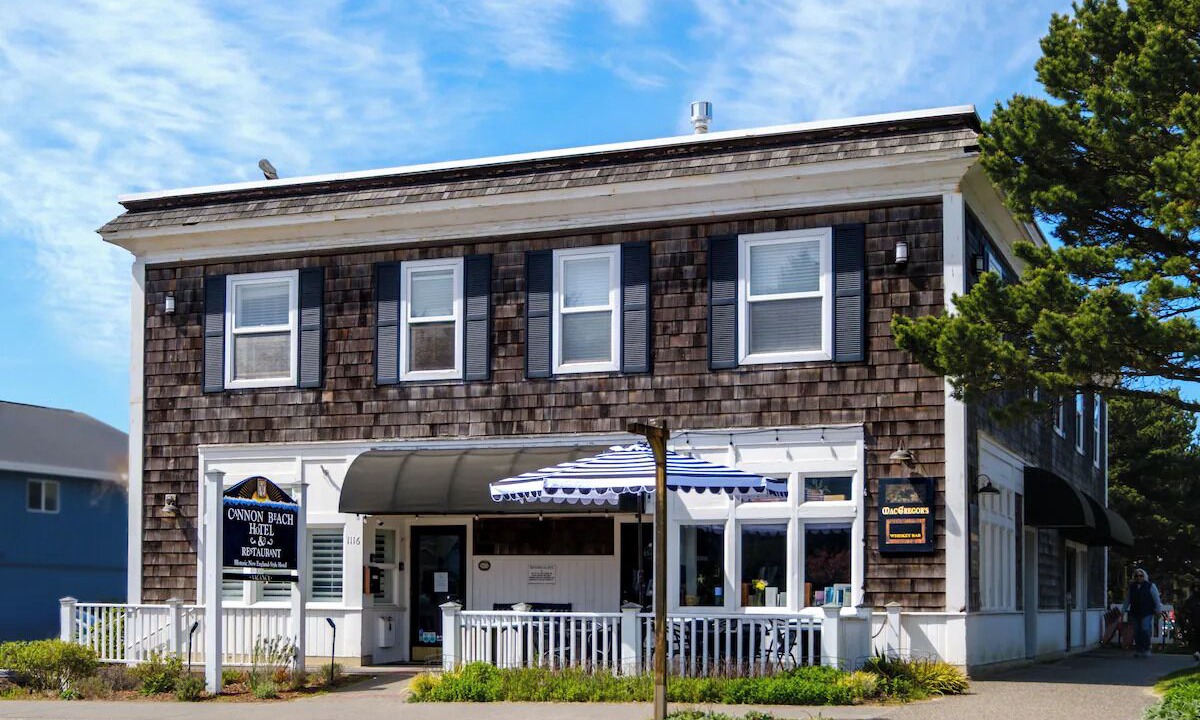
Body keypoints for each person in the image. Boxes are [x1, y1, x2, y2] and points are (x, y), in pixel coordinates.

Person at [1123, 568, 1163, 658]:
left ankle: (1147, 648)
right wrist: (1123, 610)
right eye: (1136, 576)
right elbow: (1128, 599)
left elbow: (1156, 599)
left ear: (1144, 576)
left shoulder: (1150, 586)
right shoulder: (1132, 586)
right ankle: (1139, 649)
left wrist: (1158, 610)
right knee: (1137, 631)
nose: (1139, 577)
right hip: (1135, 612)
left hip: (1147, 612)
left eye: (1141, 575)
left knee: (1145, 629)